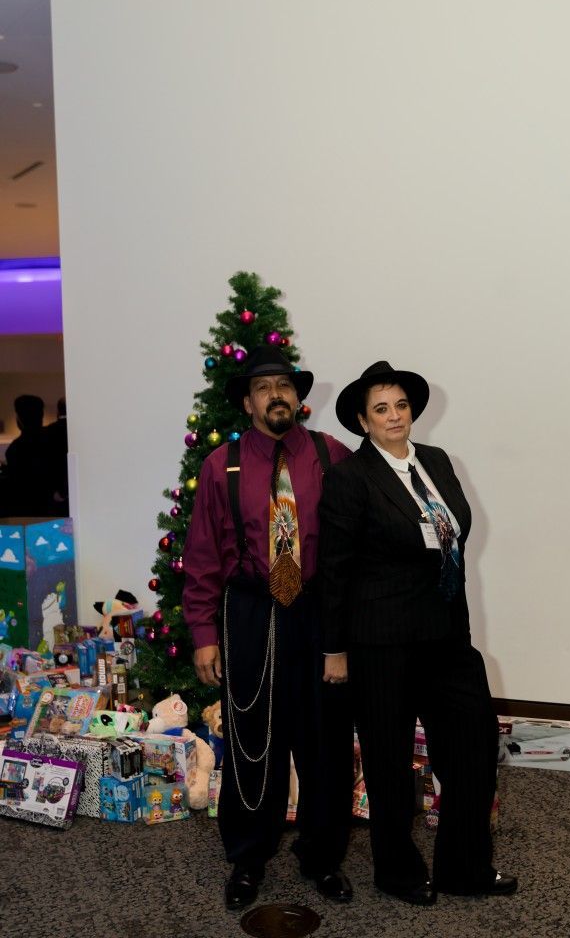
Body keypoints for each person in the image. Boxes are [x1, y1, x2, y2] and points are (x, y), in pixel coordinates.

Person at [318, 360, 517, 905]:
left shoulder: (436, 461)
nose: (394, 416)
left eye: (401, 405)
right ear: (363, 422)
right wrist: (334, 648)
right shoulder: (350, 478)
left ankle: (465, 867)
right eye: (381, 409)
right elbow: (334, 567)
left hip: (446, 636)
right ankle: (396, 871)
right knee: (388, 762)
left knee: (473, 746)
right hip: (381, 642)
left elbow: (453, 539)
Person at [182, 346, 354, 912]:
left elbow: (355, 545)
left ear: (298, 396)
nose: (276, 394)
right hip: (251, 611)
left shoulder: (331, 455)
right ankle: (248, 856)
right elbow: (202, 555)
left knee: (324, 739)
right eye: (263, 387)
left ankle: (322, 855)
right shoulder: (221, 465)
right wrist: (204, 632)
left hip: (318, 612)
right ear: (248, 403)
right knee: (252, 736)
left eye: (284, 384)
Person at [2, 394, 50, 516]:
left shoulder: (14, 449)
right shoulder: (55, 439)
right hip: (54, 512)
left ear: (19, 419)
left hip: (24, 513)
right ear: (41, 415)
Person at [43, 397, 69, 516]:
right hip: (76, 488)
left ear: (58, 411)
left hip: (55, 493)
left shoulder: (48, 431)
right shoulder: (79, 429)